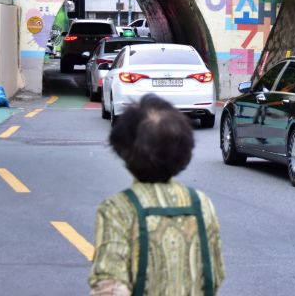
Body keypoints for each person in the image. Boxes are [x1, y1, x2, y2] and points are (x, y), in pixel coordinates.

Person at [89, 94, 225, 296]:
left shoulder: (118, 208)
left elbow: (109, 287)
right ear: (185, 151)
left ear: (123, 151)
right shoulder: (201, 204)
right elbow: (215, 276)